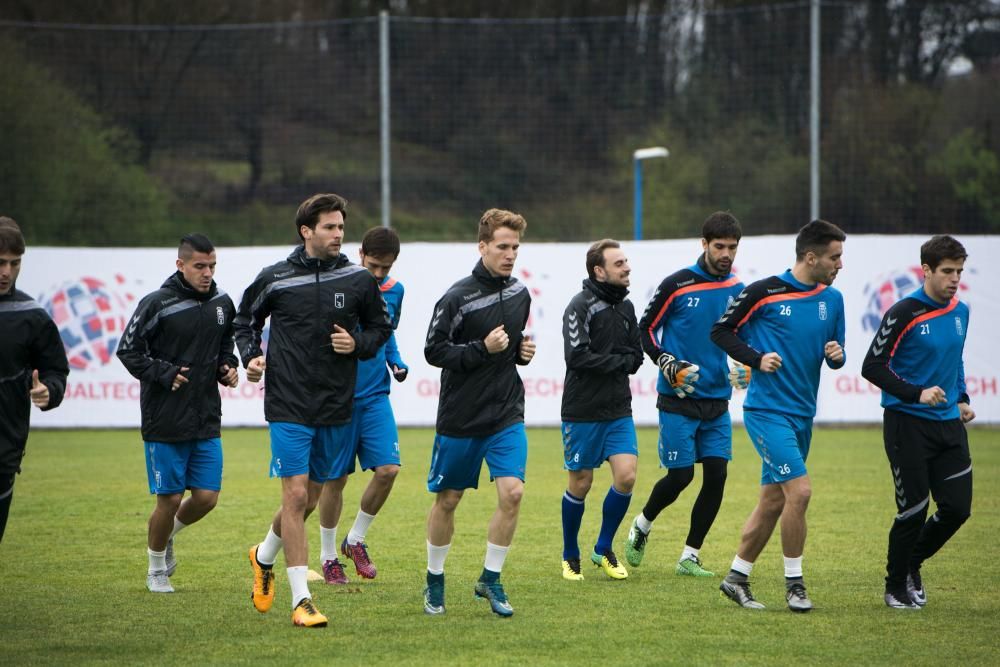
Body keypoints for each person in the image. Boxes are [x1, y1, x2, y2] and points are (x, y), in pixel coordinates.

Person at [235, 194, 392, 628]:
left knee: (313, 496)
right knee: (297, 495)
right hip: (287, 401)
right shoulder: (276, 278)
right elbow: (245, 319)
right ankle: (301, 600)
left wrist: (357, 345)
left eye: (341, 226)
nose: (338, 234)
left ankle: (263, 555)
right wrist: (251, 355)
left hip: (335, 404)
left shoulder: (358, 280)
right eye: (329, 227)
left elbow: (380, 328)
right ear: (306, 231)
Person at [710, 219, 846, 613]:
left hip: (804, 414)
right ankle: (795, 584)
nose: (839, 265)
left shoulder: (832, 299)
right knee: (799, 493)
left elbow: (834, 353)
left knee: (772, 501)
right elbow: (721, 331)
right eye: (834, 257)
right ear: (810, 257)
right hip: (767, 412)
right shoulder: (763, 292)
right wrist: (756, 359)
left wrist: (837, 357)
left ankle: (736, 577)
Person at [422, 208, 535, 617]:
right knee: (448, 499)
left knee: (514, 493)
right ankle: (435, 579)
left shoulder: (521, 294)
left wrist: (522, 353)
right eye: (502, 247)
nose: (510, 255)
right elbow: (433, 351)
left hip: (505, 412)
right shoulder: (456, 297)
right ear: (483, 246)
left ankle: (491, 578)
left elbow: (512, 346)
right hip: (461, 416)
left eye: (515, 247)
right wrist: (480, 349)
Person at [624, 212, 745, 578]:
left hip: (717, 400)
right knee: (680, 477)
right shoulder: (676, 285)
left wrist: (748, 363)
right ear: (704, 243)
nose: (726, 254)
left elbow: (745, 336)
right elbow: (645, 329)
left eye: (733, 248)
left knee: (717, 475)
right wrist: (665, 361)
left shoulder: (739, 290)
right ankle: (642, 525)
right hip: (678, 396)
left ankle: (689, 556)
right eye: (720, 246)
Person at [117, 234, 239, 593]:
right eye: (200, 266)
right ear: (180, 265)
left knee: (206, 498)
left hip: (205, 417)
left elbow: (225, 346)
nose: (207, 273)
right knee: (168, 499)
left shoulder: (222, 302)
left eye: (212, 266)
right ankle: (155, 568)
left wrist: (227, 367)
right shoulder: (157, 303)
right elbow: (128, 351)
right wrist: (165, 373)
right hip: (164, 418)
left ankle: (167, 533)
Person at [861, 235, 974, 610]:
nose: (954, 278)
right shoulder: (903, 312)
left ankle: (912, 563)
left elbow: (955, 359)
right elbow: (872, 367)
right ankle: (894, 586)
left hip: (948, 426)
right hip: (906, 423)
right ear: (926, 270)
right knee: (913, 509)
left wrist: (961, 398)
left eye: (959, 271)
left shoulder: (961, 311)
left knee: (957, 509)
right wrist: (916, 392)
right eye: (947, 271)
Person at [315, 226, 409, 584]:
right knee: (334, 480)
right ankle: (327, 557)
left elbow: (386, 331)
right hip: (338, 398)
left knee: (389, 469)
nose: (380, 274)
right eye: (373, 266)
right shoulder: (340, 287)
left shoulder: (395, 290)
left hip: (374, 396)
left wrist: (395, 361)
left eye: (386, 267)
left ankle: (355, 539)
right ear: (360, 256)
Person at [558, 239, 643, 582]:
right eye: (619, 263)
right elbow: (577, 357)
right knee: (581, 482)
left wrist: (617, 361)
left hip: (619, 409)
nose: (627, 268)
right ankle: (569, 554)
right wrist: (618, 361)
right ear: (600, 270)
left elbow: (635, 358)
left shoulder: (627, 308)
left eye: (626, 261)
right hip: (582, 410)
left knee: (627, 475)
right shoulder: (578, 306)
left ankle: (602, 548)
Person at [0, 217, 69, 543]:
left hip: (5, 446)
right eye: (0, 263)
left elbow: (56, 370)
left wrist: (49, 392)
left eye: (14, 264)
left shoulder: (31, 315)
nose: (6, 272)